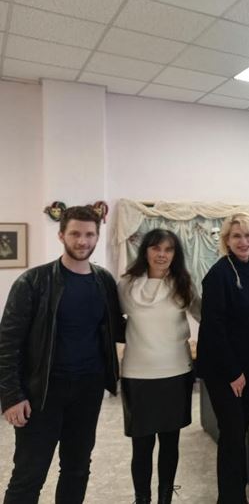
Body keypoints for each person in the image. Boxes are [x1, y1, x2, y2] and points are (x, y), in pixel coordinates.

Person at [0, 206, 122, 504]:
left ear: (97, 236)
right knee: (29, 474)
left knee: (77, 469)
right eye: (75, 234)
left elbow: (115, 329)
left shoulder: (104, 281)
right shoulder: (33, 282)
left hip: (88, 389)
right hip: (42, 391)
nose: (82, 241)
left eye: (89, 234)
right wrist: (11, 396)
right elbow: (7, 342)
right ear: (61, 235)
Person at [118, 229, 200, 504]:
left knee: (170, 442)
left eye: (168, 249)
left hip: (176, 372)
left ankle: (165, 498)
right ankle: (142, 498)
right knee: (141, 445)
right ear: (145, 251)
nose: (162, 255)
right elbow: (108, 321)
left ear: (175, 254)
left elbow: (207, 315)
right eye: (156, 248)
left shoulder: (183, 284)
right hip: (137, 374)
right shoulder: (126, 285)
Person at [196, 213, 249, 504]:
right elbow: (213, 328)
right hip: (225, 369)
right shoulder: (219, 275)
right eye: (237, 236)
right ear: (226, 240)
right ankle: (230, 498)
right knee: (231, 434)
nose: (243, 241)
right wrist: (232, 372)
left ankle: (236, 493)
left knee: (239, 433)